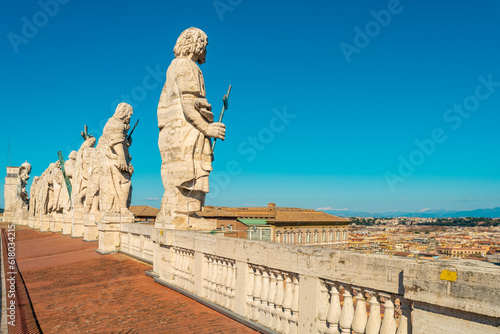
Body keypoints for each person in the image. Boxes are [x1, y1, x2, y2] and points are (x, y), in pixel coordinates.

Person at [157, 27, 226, 228]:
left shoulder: (173, 66)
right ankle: (183, 216)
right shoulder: (187, 66)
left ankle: (173, 213)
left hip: (174, 132)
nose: (205, 51)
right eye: (205, 46)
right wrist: (207, 128)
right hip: (187, 132)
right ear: (196, 44)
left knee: (181, 173)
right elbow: (188, 104)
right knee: (191, 171)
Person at [97, 102, 134, 214]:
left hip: (110, 160)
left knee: (118, 184)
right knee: (125, 182)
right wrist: (122, 157)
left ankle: (120, 207)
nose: (129, 117)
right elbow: (116, 142)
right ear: (123, 112)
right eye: (129, 114)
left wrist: (127, 142)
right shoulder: (116, 124)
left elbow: (118, 141)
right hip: (116, 159)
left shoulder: (111, 123)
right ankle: (122, 208)